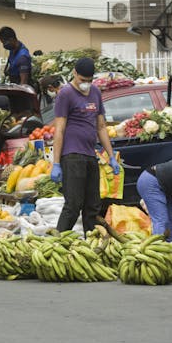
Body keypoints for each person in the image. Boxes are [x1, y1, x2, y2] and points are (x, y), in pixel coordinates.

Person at [50, 57, 120, 233]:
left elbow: (101, 127)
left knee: (93, 206)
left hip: (90, 155)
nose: (86, 84)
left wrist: (111, 156)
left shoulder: (95, 92)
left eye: (89, 81)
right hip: (72, 156)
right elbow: (59, 130)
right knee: (73, 205)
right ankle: (57, 243)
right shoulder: (65, 94)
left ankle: (92, 244)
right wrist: (56, 163)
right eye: (82, 80)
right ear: (74, 73)